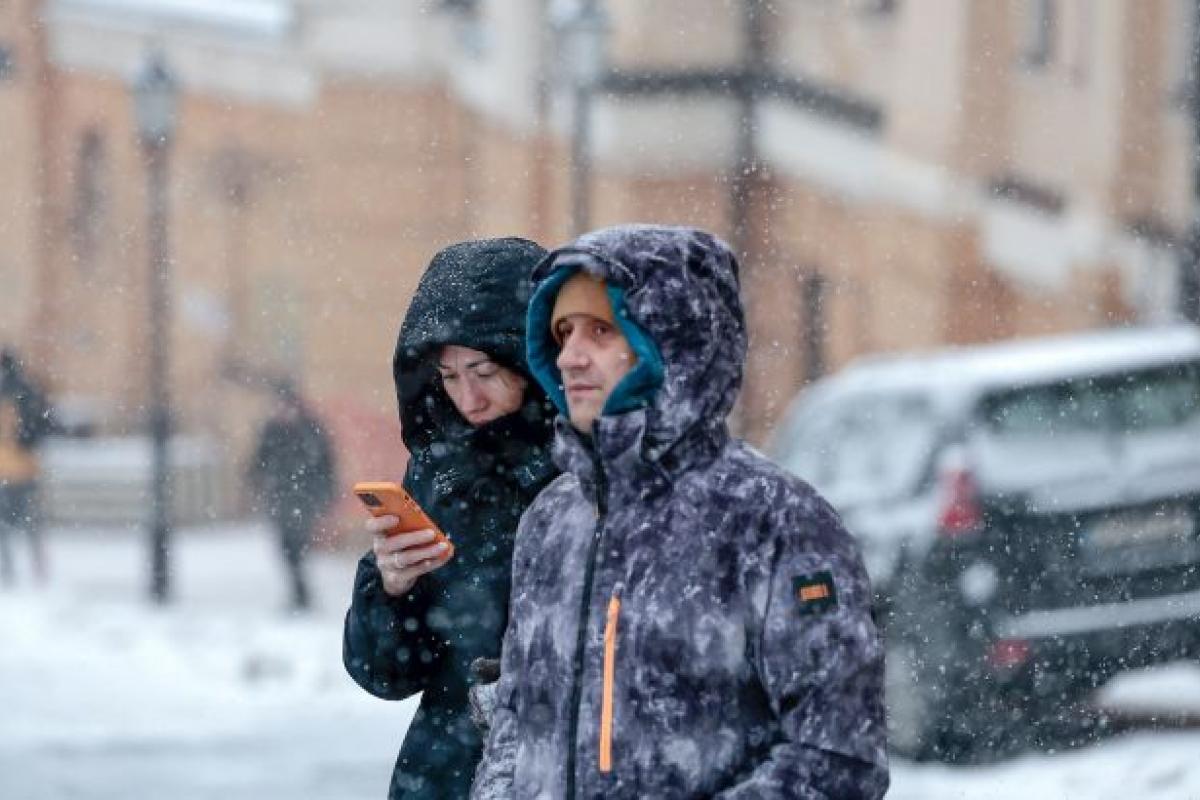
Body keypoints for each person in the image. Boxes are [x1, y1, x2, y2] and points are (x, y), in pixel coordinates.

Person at [471, 225, 889, 799]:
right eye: (563, 333)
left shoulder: (773, 521)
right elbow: (516, 719)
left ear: (673, 344)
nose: (570, 357)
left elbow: (838, 756)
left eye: (601, 330)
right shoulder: (552, 519)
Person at [342, 237, 558, 799]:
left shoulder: (585, 474)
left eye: (484, 371)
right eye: (450, 375)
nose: (469, 397)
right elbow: (387, 675)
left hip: (558, 769)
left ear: (531, 361)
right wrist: (391, 588)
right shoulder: (439, 472)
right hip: (445, 773)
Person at [247, 380, 337, 611]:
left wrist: (326, 495)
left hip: (304, 498)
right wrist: (255, 481)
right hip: (279, 497)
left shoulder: (310, 429)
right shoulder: (271, 431)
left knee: (298, 545)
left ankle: (301, 592)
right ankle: (299, 590)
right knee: (285, 547)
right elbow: (259, 461)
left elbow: (326, 465)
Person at [0, 348, 55, 587]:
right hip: (27, 466)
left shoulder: (8, 390)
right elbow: (44, 424)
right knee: (31, 522)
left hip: (4, 466)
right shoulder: (29, 389)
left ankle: (8, 571)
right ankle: (38, 569)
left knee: (4, 526)